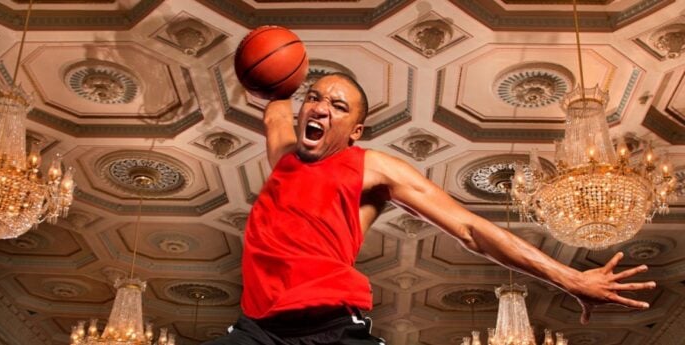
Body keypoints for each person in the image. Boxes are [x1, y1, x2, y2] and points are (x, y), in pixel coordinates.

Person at [204, 73, 655, 345]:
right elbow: (275, 106)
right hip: (257, 330)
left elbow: (469, 228)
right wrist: (272, 59)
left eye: (337, 105)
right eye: (315, 98)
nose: (320, 107)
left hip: (333, 327)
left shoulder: (372, 167)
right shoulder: (284, 152)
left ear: (356, 129)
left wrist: (571, 278)